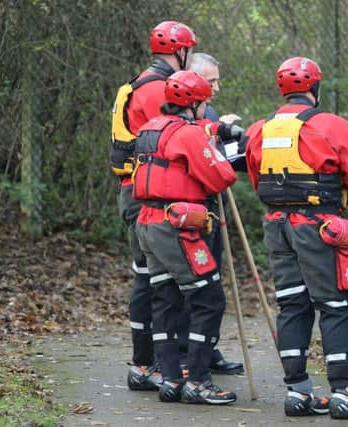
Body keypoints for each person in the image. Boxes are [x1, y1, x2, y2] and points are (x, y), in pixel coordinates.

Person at [243, 56, 348, 419]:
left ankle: (298, 392)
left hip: (277, 226)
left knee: (292, 305)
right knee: (336, 305)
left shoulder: (260, 129)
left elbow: (256, 178)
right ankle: (343, 392)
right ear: (315, 88)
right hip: (320, 226)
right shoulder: (330, 126)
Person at [133, 70, 238, 404]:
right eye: (204, 103)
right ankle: (199, 380)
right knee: (208, 299)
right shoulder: (189, 134)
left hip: (146, 223)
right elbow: (221, 177)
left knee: (164, 298)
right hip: (175, 227)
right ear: (194, 104)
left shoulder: (150, 128)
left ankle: (171, 379)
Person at [109, 20, 197, 391]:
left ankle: (150, 363)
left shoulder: (140, 81)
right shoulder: (158, 88)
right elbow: (171, 137)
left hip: (136, 190)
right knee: (155, 282)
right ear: (181, 51)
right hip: (147, 195)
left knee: (149, 278)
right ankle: (150, 364)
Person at [184, 53, 245, 376]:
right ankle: (187, 354)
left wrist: (236, 143)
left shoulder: (212, 111)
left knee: (213, 278)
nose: (217, 89)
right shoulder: (179, 113)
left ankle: (207, 348)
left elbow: (225, 157)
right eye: (211, 82)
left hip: (214, 205)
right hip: (187, 210)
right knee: (193, 285)